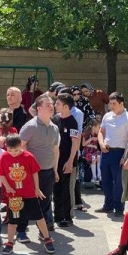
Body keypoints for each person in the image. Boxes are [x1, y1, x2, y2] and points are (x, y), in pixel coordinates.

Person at [0, 134, 55, 255]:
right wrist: (7, 186)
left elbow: (34, 172)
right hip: (14, 196)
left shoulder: (28, 156)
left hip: (29, 194)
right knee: (13, 220)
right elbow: (0, 173)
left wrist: (37, 188)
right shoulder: (4, 157)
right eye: (10, 150)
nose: (13, 153)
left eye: (16, 150)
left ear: (21, 145)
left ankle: (47, 239)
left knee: (39, 217)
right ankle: (10, 242)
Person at [19, 94, 59, 235]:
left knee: (46, 201)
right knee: (27, 202)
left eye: (52, 104)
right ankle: (21, 231)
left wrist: (55, 170)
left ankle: (43, 230)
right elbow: (20, 147)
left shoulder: (54, 128)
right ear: (39, 108)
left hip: (48, 171)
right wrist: (27, 168)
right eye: (48, 105)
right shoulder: (30, 126)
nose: (52, 107)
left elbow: (55, 150)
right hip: (31, 173)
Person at [96, 92, 128, 217]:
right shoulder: (107, 116)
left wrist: (125, 156)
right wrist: (101, 144)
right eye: (110, 103)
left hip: (119, 152)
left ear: (121, 103)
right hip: (106, 151)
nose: (111, 106)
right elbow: (101, 132)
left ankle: (119, 208)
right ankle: (108, 205)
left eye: (114, 103)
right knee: (105, 181)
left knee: (118, 183)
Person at [52, 93, 80, 227]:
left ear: (66, 107)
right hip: (55, 160)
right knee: (56, 188)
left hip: (66, 161)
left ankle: (67, 217)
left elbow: (75, 143)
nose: (55, 105)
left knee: (66, 190)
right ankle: (57, 216)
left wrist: (70, 161)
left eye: (58, 103)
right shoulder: (55, 119)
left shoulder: (72, 122)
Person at [82, 119, 101, 183]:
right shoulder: (86, 133)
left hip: (95, 151)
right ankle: (94, 177)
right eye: (98, 127)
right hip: (88, 151)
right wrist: (91, 139)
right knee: (93, 158)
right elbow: (83, 144)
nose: (99, 129)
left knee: (99, 157)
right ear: (94, 127)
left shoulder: (97, 134)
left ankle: (99, 176)